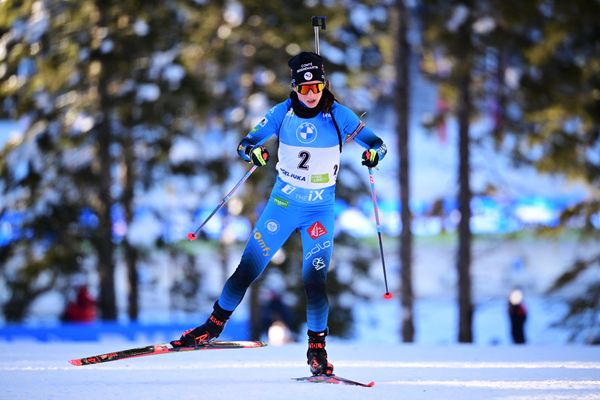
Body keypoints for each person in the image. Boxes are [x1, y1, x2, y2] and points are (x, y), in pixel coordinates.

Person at [171, 51, 387, 376]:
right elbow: (245, 143)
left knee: (315, 281)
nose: (311, 95)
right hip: (283, 206)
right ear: (295, 88)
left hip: (318, 211)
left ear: (324, 85)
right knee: (247, 269)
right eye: (305, 89)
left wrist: (373, 153)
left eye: (317, 87)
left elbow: (378, 144)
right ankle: (210, 328)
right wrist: (254, 151)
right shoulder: (281, 113)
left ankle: (317, 350)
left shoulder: (338, 115)